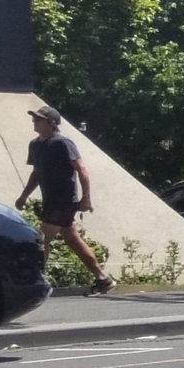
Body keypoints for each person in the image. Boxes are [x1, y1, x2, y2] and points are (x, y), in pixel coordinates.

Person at [15, 106, 115, 293]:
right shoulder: (35, 145)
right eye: (34, 118)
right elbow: (36, 173)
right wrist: (24, 196)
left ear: (52, 123)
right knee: (72, 239)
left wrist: (86, 198)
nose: (34, 121)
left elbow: (82, 169)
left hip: (63, 200)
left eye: (39, 119)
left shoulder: (62, 143)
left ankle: (37, 282)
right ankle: (103, 279)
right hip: (49, 200)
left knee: (41, 238)